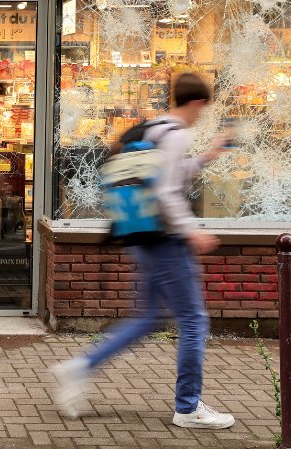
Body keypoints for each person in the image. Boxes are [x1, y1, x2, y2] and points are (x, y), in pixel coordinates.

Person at [51, 71, 235, 429]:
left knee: (149, 318)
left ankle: (78, 369)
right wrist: (192, 231)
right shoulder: (178, 134)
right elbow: (167, 192)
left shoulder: (155, 128)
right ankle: (188, 407)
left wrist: (206, 157)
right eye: (203, 107)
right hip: (165, 240)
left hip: (140, 235)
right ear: (197, 103)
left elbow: (167, 174)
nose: (202, 114)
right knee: (194, 321)